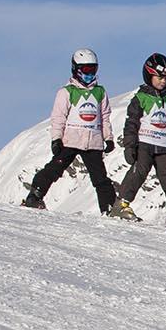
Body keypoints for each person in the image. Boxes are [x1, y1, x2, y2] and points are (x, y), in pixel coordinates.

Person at [22, 50, 119, 214]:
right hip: (71, 140)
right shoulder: (67, 92)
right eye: (86, 70)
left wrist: (108, 138)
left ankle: (109, 209)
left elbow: (105, 117)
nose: (90, 74)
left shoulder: (100, 92)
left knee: (100, 178)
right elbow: (58, 117)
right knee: (55, 169)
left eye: (93, 70)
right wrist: (56, 139)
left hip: (93, 142)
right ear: (76, 69)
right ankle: (35, 196)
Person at [115, 53, 166, 227]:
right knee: (139, 171)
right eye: (159, 77)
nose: (163, 81)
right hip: (144, 143)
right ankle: (121, 204)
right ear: (149, 75)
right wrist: (130, 146)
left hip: (164, 146)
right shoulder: (140, 98)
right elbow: (131, 123)